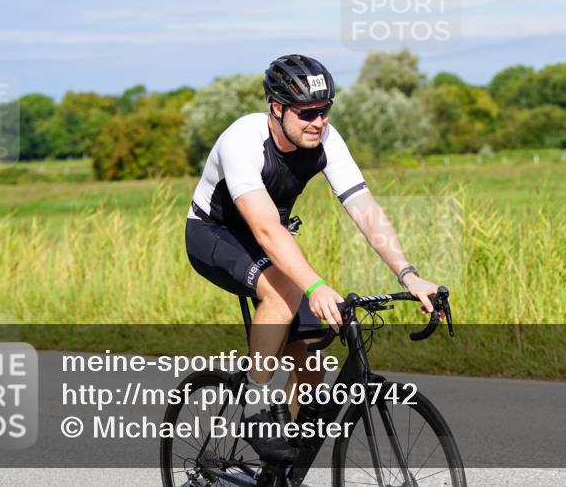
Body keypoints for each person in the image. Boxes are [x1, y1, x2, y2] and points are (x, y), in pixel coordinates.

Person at [185, 53, 441, 460]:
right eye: (306, 113)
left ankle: (280, 459)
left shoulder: (325, 139)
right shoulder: (243, 140)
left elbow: (363, 208)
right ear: (276, 108)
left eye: (324, 111)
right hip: (215, 234)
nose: (317, 122)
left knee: (312, 355)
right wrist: (316, 286)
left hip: (271, 238)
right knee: (285, 291)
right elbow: (266, 229)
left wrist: (409, 275)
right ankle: (253, 405)